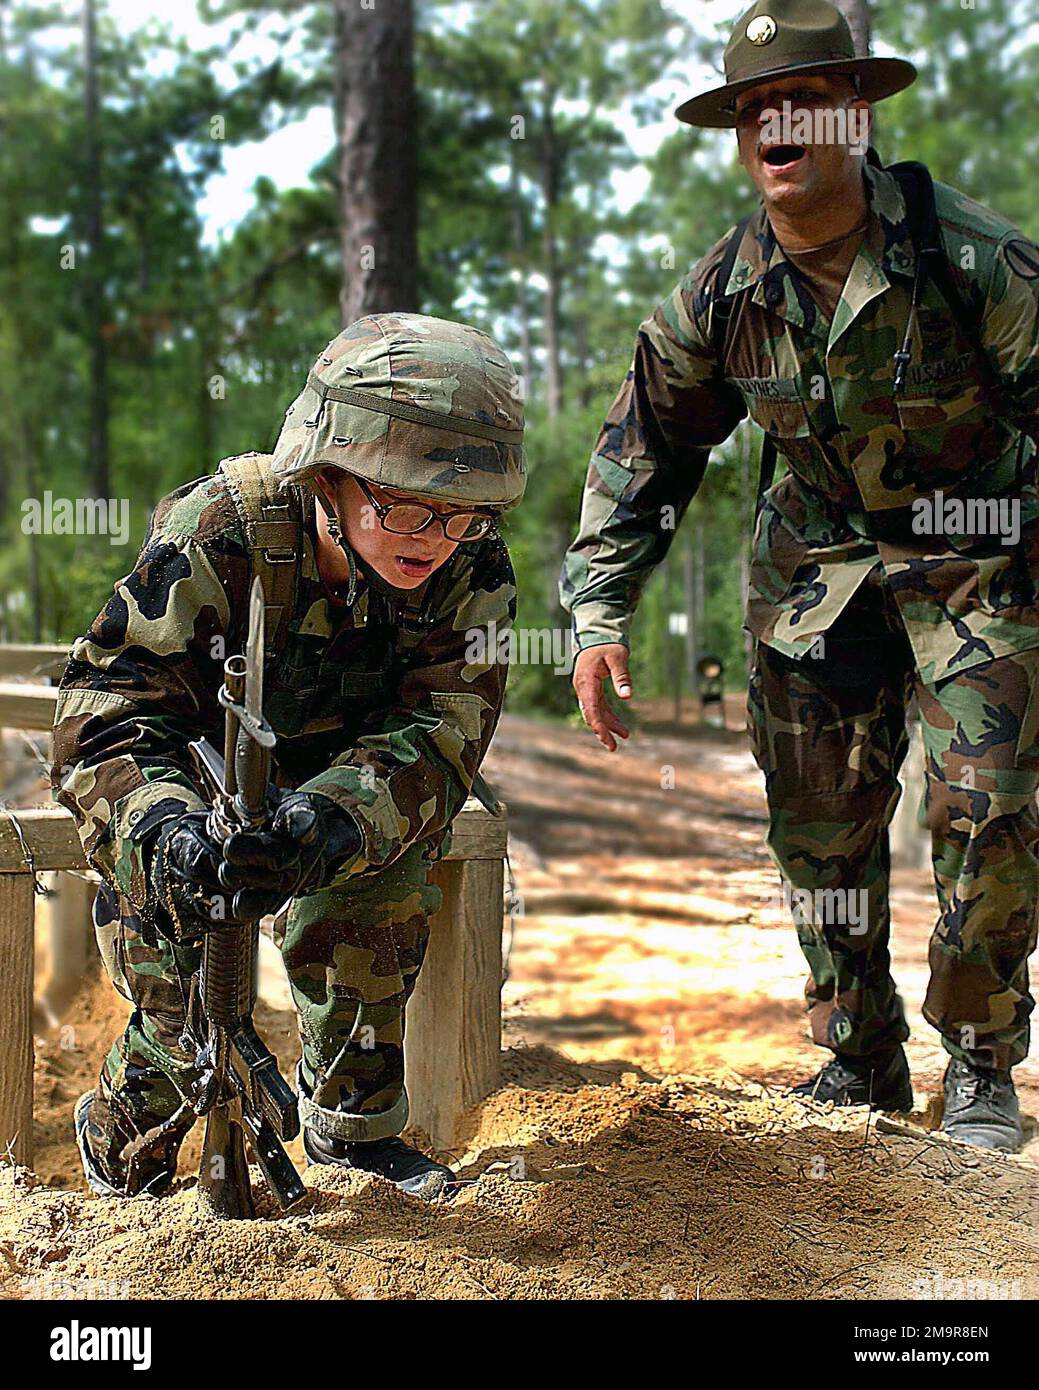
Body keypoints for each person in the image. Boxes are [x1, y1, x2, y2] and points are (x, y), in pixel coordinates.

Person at [561, 0, 1039, 1150]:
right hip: (813, 571)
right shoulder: (717, 297)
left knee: (987, 803)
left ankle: (976, 1064)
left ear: (856, 113)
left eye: (804, 98)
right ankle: (857, 1058)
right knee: (817, 828)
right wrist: (596, 610)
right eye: (752, 109)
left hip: (976, 561)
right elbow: (648, 453)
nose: (776, 121)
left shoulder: (972, 259)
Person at [53, 311, 525, 1199]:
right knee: (176, 1006)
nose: (436, 537)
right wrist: (167, 836)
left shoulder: (472, 566)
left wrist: (334, 820)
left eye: (465, 515)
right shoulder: (221, 530)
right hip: (185, 796)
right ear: (326, 472)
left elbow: (448, 726)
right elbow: (102, 713)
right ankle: (120, 1135)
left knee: (369, 911)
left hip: (353, 792)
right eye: (407, 505)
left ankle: (353, 1134)